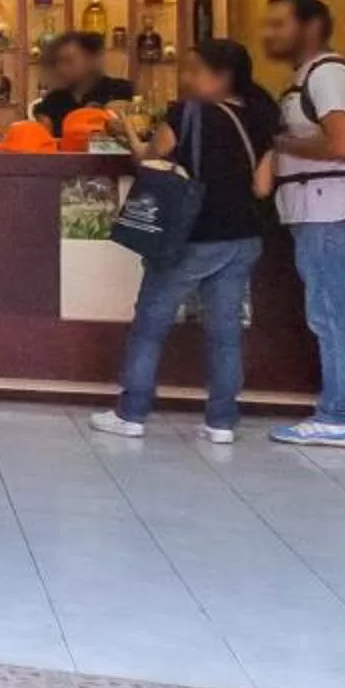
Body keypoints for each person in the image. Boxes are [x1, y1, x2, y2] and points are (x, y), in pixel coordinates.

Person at [90, 39, 275, 444]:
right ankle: (222, 422)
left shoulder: (187, 114)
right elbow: (262, 187)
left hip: (190, 236)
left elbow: (152, 163)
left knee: (151, 325)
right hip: (242, 236)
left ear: (222, 76)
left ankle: (132, 413)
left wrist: (128, 136)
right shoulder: (262, 118)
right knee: (225, 332)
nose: (186, 78)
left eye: (195, 70)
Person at [261, 0, 345, 448]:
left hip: (332, 210)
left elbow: (342, 144)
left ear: (311, 27)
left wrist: (281, 143)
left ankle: (340, 415)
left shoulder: (329, 76)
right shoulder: (313, 77)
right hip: (329, 210)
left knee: (332, 316)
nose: (269, 33)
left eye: (279, 24)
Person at [33, 31, 136, 134]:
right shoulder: (53, 100)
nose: (61, 68)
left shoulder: (119, 89)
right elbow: (43, 138)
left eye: (69, 60)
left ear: (91, 60)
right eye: (58, 62)